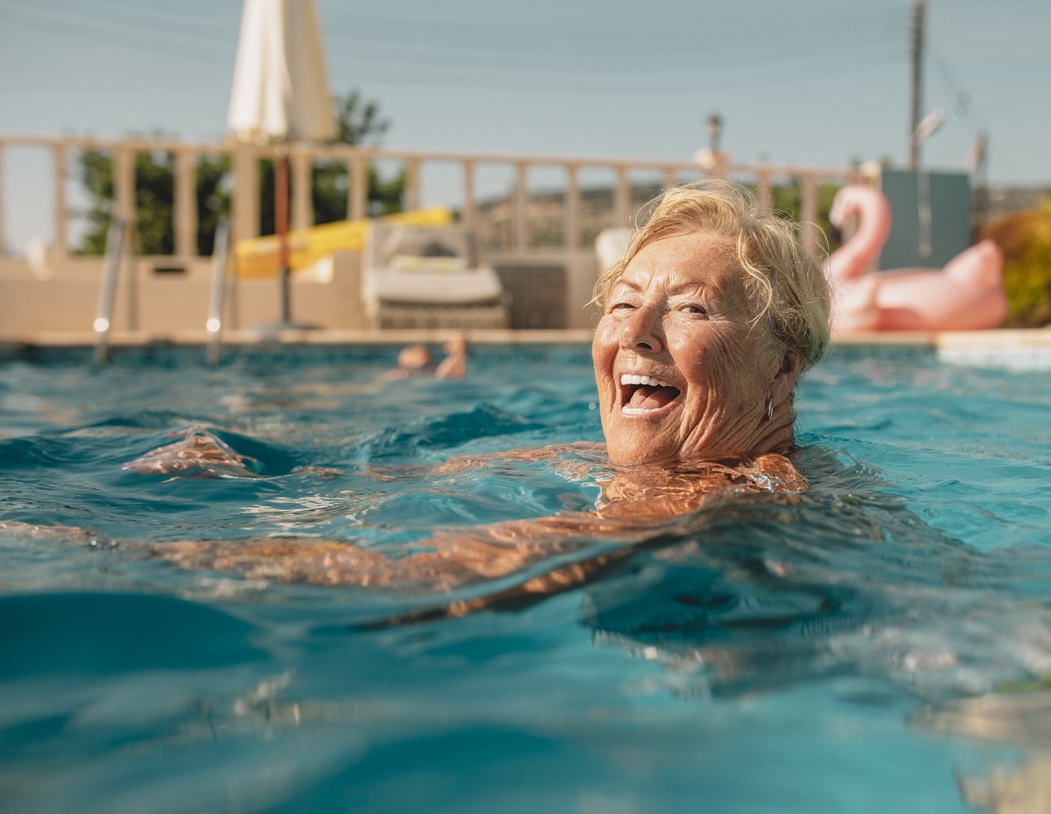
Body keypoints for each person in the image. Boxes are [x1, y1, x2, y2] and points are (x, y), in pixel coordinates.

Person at [22, 180, 832, 598]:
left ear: (782, 366)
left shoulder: (729, 495)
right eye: (622, 303)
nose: (634, 332)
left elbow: (426, 578)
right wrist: (273, 479)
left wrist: (115, 550)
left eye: (690, 308)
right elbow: (423, 485)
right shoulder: (650, 469)